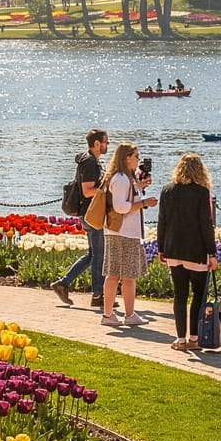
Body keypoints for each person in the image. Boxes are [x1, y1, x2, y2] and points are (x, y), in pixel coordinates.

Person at [156, 153, 218, 351]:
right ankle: (194, 337)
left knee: (179, 295)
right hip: (195, 250)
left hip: (173, 249)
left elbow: (162, 222)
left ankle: (180, 339)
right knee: (198, 295)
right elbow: (206, 225)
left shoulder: (167, 191)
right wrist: (212, 252)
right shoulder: (201, 193)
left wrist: (161, 248)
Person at [100, 142, 156, 328]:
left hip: (116, 231)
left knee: (113, 274)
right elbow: (121, 207)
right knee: (127, 276)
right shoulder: (122, 178)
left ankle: (109, 315)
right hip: (124, 233)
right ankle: (128, 314)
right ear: (127, 158)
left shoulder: (120, 178)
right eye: (136, 156)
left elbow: (122, 199)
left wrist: (138, 186)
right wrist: (144, 203)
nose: (138, 160)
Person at [51, 129, 108, 308]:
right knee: (99, 255)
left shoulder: (91, 161)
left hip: (89, 213)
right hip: (90, 214)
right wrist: (106, 192)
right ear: (97, 143)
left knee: (93, 254)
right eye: (105, 142)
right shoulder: (89, 162)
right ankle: (98, 295)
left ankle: (63, 284)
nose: (107, 145)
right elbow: (87, 190)